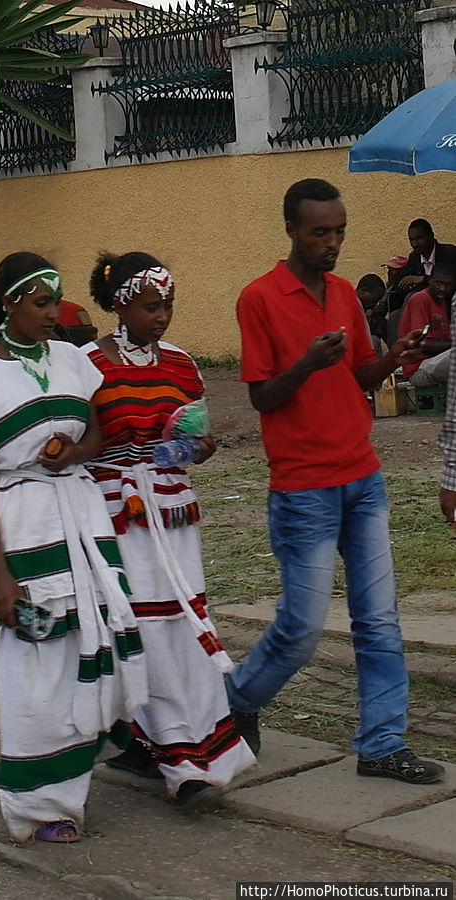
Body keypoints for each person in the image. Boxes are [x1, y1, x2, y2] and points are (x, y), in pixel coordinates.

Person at [226, 178, 444, 784]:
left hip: (363, 477)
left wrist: (392, 356)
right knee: (301, 627)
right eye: (320, 232)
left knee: (379, 621)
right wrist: (306, 364)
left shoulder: (346, 293)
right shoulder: (260, 298)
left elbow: (357, 379)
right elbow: (263, 397)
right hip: (303, 490)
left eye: (340, 231)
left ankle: (382, 743)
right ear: (293, 230)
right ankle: (234, 701)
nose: (332, 242)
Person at [0, 252, 147, 843]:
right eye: (39, 303)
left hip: (81, 521)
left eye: (55, 302)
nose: (52, 314)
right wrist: (0, 575)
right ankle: (37, 804)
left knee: (95, 640)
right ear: (8, 304)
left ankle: (80, 772)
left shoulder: (72, 363)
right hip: (22, 524)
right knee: (36, 657)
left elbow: (96, 436)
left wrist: (72, 451)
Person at [83, 251, 256, 812]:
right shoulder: (86, 365)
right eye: (152, 306)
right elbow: (84, 446)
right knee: (142, 631)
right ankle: (177, 757)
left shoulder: (182, 365)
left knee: (184, 626)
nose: (163, 317)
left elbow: (195, 444)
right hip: (118, 518)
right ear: (121, 305)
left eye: (169, 306)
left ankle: (196, 746)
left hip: (174, 515)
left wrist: (191, 446)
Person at [398, 266, 455, 386]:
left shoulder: (442, 302)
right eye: (439, 283)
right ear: (430, 280)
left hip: (434, 362)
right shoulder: (420, 299)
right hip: (419, 369)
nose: (442, 289)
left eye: (448, 285)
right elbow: (421, 344)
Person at [396, 219, 456, 296]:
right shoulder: (414, 257)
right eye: (411, 239)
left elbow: (450, 281)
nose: (414, 244)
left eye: (419, 238)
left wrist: (423, 279)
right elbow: (403, 281)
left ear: (431, 236)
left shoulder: (449, 253)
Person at [355, 273, 387, 354]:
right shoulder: (352, 305)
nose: (375, 303)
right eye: (375, 300)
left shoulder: (363, 305)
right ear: (363, 291)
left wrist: (369, 309)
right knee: (374, 341)